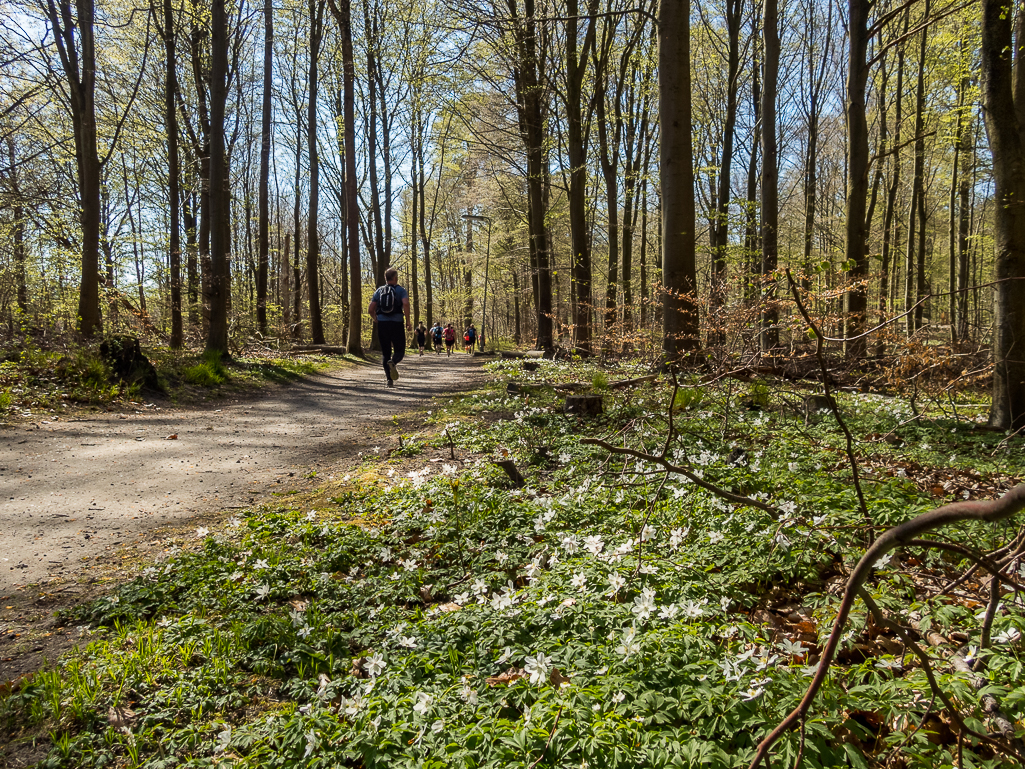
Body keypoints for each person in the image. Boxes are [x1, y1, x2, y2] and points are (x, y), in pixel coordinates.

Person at [367, 267, 411, 387]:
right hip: (397, 323)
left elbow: (371, 308)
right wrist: (408, 321)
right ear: (395, 278)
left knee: (386, 353)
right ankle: (394, 361)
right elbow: (406, 303)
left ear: (385, 278)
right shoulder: (401, 290)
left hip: (382, 324)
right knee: (399, 351)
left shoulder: (379, 291)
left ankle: (389, 380)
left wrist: (375, 318)